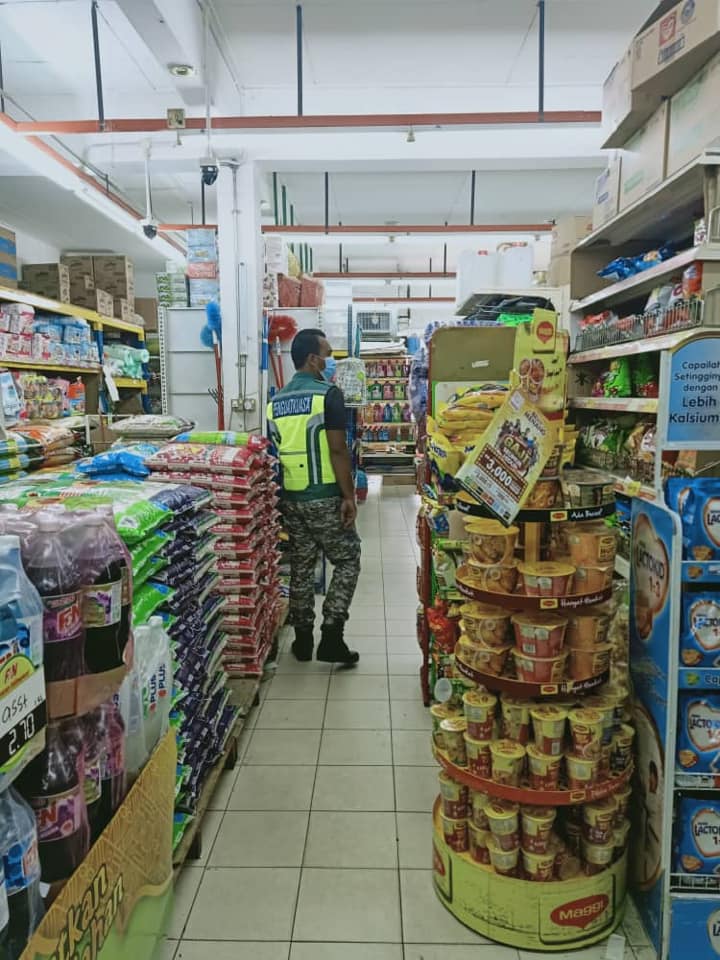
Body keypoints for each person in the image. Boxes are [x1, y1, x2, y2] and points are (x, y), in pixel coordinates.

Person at [267, 329, 361, 667]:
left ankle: (303, 640)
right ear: (312, 359)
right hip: (324, 494)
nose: (330, 360)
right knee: (348, 559)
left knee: (302, 565)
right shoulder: (328, 395)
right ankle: (332, 636)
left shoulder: (275, 403)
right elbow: (337, 450)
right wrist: (348, 496)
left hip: (291, 496)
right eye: (327, 353)